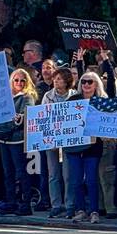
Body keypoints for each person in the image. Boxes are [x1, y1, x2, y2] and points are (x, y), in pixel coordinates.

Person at [64, 72, 109, 223]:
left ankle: (94, 211)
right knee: (75, 180)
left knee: (91, 180)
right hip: (74, 147)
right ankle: (80, 210)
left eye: (90, 82)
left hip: (93, 147)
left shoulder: (100, 101)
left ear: (96, 84)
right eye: (83, 81)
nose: (86, 85)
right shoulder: (73, 100)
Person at [0, 69, 37, 216]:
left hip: (17, 139)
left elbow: (26, 114)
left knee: (21, 172)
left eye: (22, 80)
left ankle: (25, 203)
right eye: (16, 80)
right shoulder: (5, 97)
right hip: (3, 138)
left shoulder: (26, 97)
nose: (19, 83)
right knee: (8, 172)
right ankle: (11, 201)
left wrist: (19, 118)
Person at [41, 68, 75, 218]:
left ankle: (69, 205)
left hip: (69, 141)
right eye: (55, 78)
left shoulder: (74, 96)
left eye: (60, 79)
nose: (56, 81)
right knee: (53, 174)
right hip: (52, 141)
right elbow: (42, 116)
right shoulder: (48, 96)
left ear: (67, 81)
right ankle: (56, 204)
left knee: (68, 175)